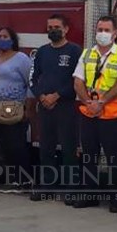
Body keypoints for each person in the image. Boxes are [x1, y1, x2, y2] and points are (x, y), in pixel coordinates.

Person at [72, 15, 117, 213]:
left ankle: (115, 199)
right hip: (88, 113)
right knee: (89, 156)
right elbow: (78, 81)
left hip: (112, 115)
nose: (102, 33)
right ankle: (89, 196)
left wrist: (101, 102)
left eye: (107, 30)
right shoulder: (87, 54)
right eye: (100, 29)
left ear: (115, 33)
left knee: (113, 158)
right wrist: (88, 102)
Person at [30, 14, 82, 203]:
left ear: (66, 29)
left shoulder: (75, 51)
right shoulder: (42, 52)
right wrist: (40, 96)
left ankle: (71, 190)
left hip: (65, 106)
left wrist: (57, 95)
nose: (53, 30)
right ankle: (47, 187)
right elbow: (34, 78)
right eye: (50, 27)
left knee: (69, 149)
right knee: (46, 149)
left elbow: (77, 80)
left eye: (56, 27)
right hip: (45, 107)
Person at [0, 27, 34, 187]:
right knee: (4, 147)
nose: (1, 39)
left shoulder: (22, 59)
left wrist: (28, 108)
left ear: (13, 39)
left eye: (5, 36)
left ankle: (25, 180)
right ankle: (12, 179)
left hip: (14, 109)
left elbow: (30, 84)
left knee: (16, 146)